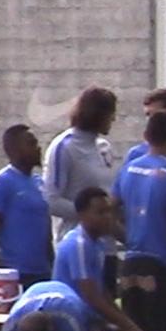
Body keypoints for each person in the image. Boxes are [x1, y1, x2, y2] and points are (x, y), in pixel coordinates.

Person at [50, 186, 156, 331]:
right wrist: (129, 326)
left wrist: (124, 324)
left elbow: (103, 294)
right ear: (82, 215)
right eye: (100, 212)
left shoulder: (96, 245)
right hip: (74, 324)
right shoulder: (78, 244)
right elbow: (91, 296)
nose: (108, 217)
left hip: (90, 322)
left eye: (109, 211)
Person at [110, 111, 166, 331]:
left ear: (147, 135)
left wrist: (127, 237)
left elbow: (109, 209)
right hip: (160, 262)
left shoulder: (129, 168)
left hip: (130, 262)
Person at [42, 86, 120, 240]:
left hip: (107, 246)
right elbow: (50, 200)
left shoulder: (105, 148)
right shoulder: (63, 147)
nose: (113, 119)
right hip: (77, 242)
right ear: (97, 113)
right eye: (111, 113)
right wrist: (89, 214)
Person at [0, 123, 52, 288]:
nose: (38, 148)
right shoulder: (1, 182)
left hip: (42, 272)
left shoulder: (39, 183)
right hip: (14, 273)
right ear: (14, 149)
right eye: (31, 144)